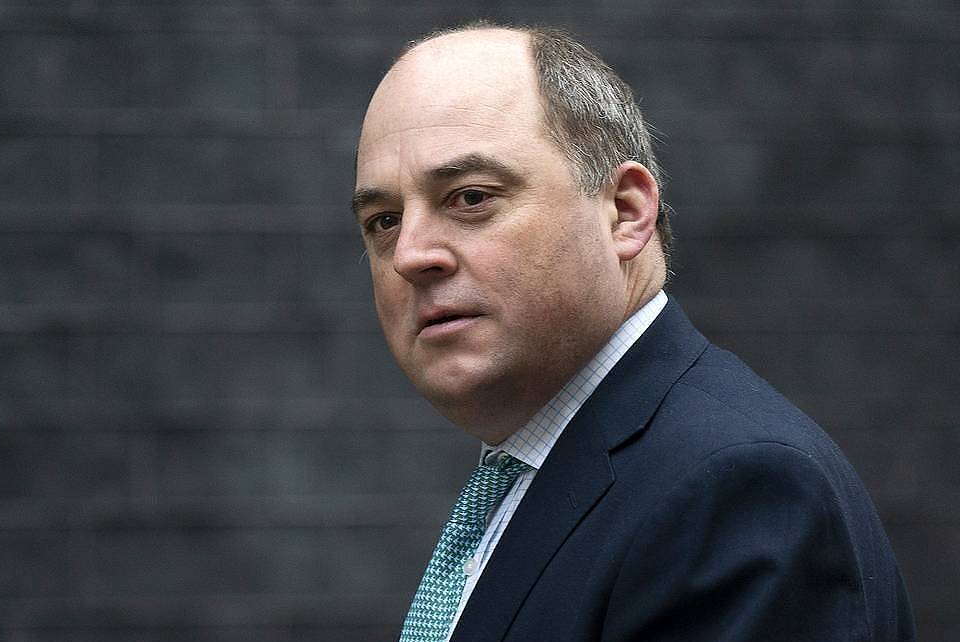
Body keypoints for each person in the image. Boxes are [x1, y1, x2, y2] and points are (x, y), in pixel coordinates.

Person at [351, 21, 915, 642]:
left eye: (471, 197)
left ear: (624, 211)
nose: (410, 255)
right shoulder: (536, 473)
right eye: (383, 221)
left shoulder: (737, 488)